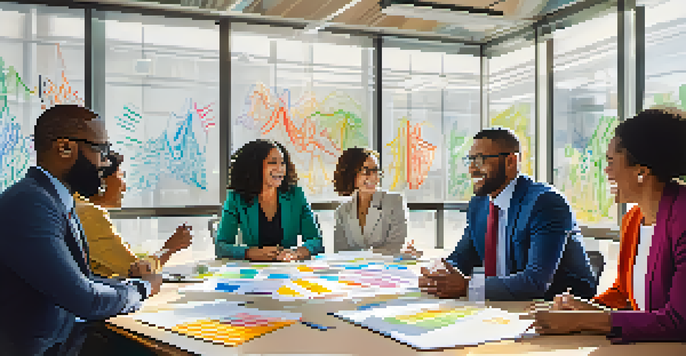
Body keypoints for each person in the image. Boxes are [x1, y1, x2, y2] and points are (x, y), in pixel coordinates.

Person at [0, 105, 162, 355]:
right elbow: (85, 298)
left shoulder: (55, 199)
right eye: (101, 150)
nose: (106, 162)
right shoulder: (30, 203)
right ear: (64, 148)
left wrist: (131, 285)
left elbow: (80, 280)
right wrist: (143, 289)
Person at [532, 108, 686, 342]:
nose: (606, 171)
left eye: (612, 161)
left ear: (641, 171)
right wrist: (580, 307)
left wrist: (580, 321)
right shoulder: (633, 220)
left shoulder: (682, 218)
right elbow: (624, 295)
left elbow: (678, 321)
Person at [419, 128, 597, 301]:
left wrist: (467, 287)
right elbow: (461, 258)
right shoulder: (479, 204)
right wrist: (439, 274)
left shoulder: (545, 203)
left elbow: (535, 283)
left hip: (558, 313)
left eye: (480, 160)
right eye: (470, 160)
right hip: (502, 308)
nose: (472, 169)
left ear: (511, 161)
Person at [74, 151, 193, 279]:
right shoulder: (90, 215)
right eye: (121, 176)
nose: (124, 187)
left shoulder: (76, 205)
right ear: (102, 181)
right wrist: (169, 248)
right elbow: (137, 271)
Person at [215, 139, 323, 262]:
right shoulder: (236, 198)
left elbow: (316, 241)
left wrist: (297, 253)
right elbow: (221, 247)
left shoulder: (296, 195)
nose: (280, 168)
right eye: (273, 162)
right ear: (254, 167)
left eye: (282, 163)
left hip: (287, 269)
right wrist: (250, 253)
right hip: (252, 271)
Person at [332, 147, 420, 257]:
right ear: (351, 174)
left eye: (376, 171)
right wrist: (375, 253)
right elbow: (340, 253)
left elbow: (395, 248)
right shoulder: (342, 212)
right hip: (352, 272)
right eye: (366, 171)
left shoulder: (394, 202)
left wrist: (358, 255)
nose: (374, 177)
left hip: (388, 270)